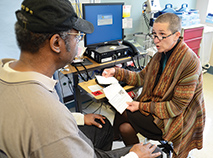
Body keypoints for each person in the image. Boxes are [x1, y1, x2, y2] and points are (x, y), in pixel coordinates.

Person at [0, 0, 162, 158]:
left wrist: (78, 117)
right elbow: (51, 124)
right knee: (154, 152)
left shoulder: (6, 69)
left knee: (103, 126)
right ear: (56, 42)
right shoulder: (49, 117)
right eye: (77, 37)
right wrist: (134, 155)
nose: (78, 42)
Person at [102, 13, 205, 158]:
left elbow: (176, 107)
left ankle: (107, 146)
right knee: (125, 128)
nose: (156, 40)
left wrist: (140, 106)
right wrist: (116, 72)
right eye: (154, 34)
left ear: (176, 35)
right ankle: (140, 154)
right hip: (157, 106)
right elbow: (140, 78)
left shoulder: (189, 62)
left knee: (124, 110)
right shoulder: (159, 55)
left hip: (176, 117)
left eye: (162, 35)